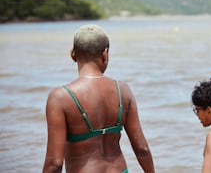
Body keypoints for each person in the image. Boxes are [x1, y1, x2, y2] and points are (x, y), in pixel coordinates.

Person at [42, 25, 155, 173]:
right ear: (105, 54)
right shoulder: (123, 90)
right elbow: (142, 148)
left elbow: (54, 163)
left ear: (73, 54)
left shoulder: (60, 98)